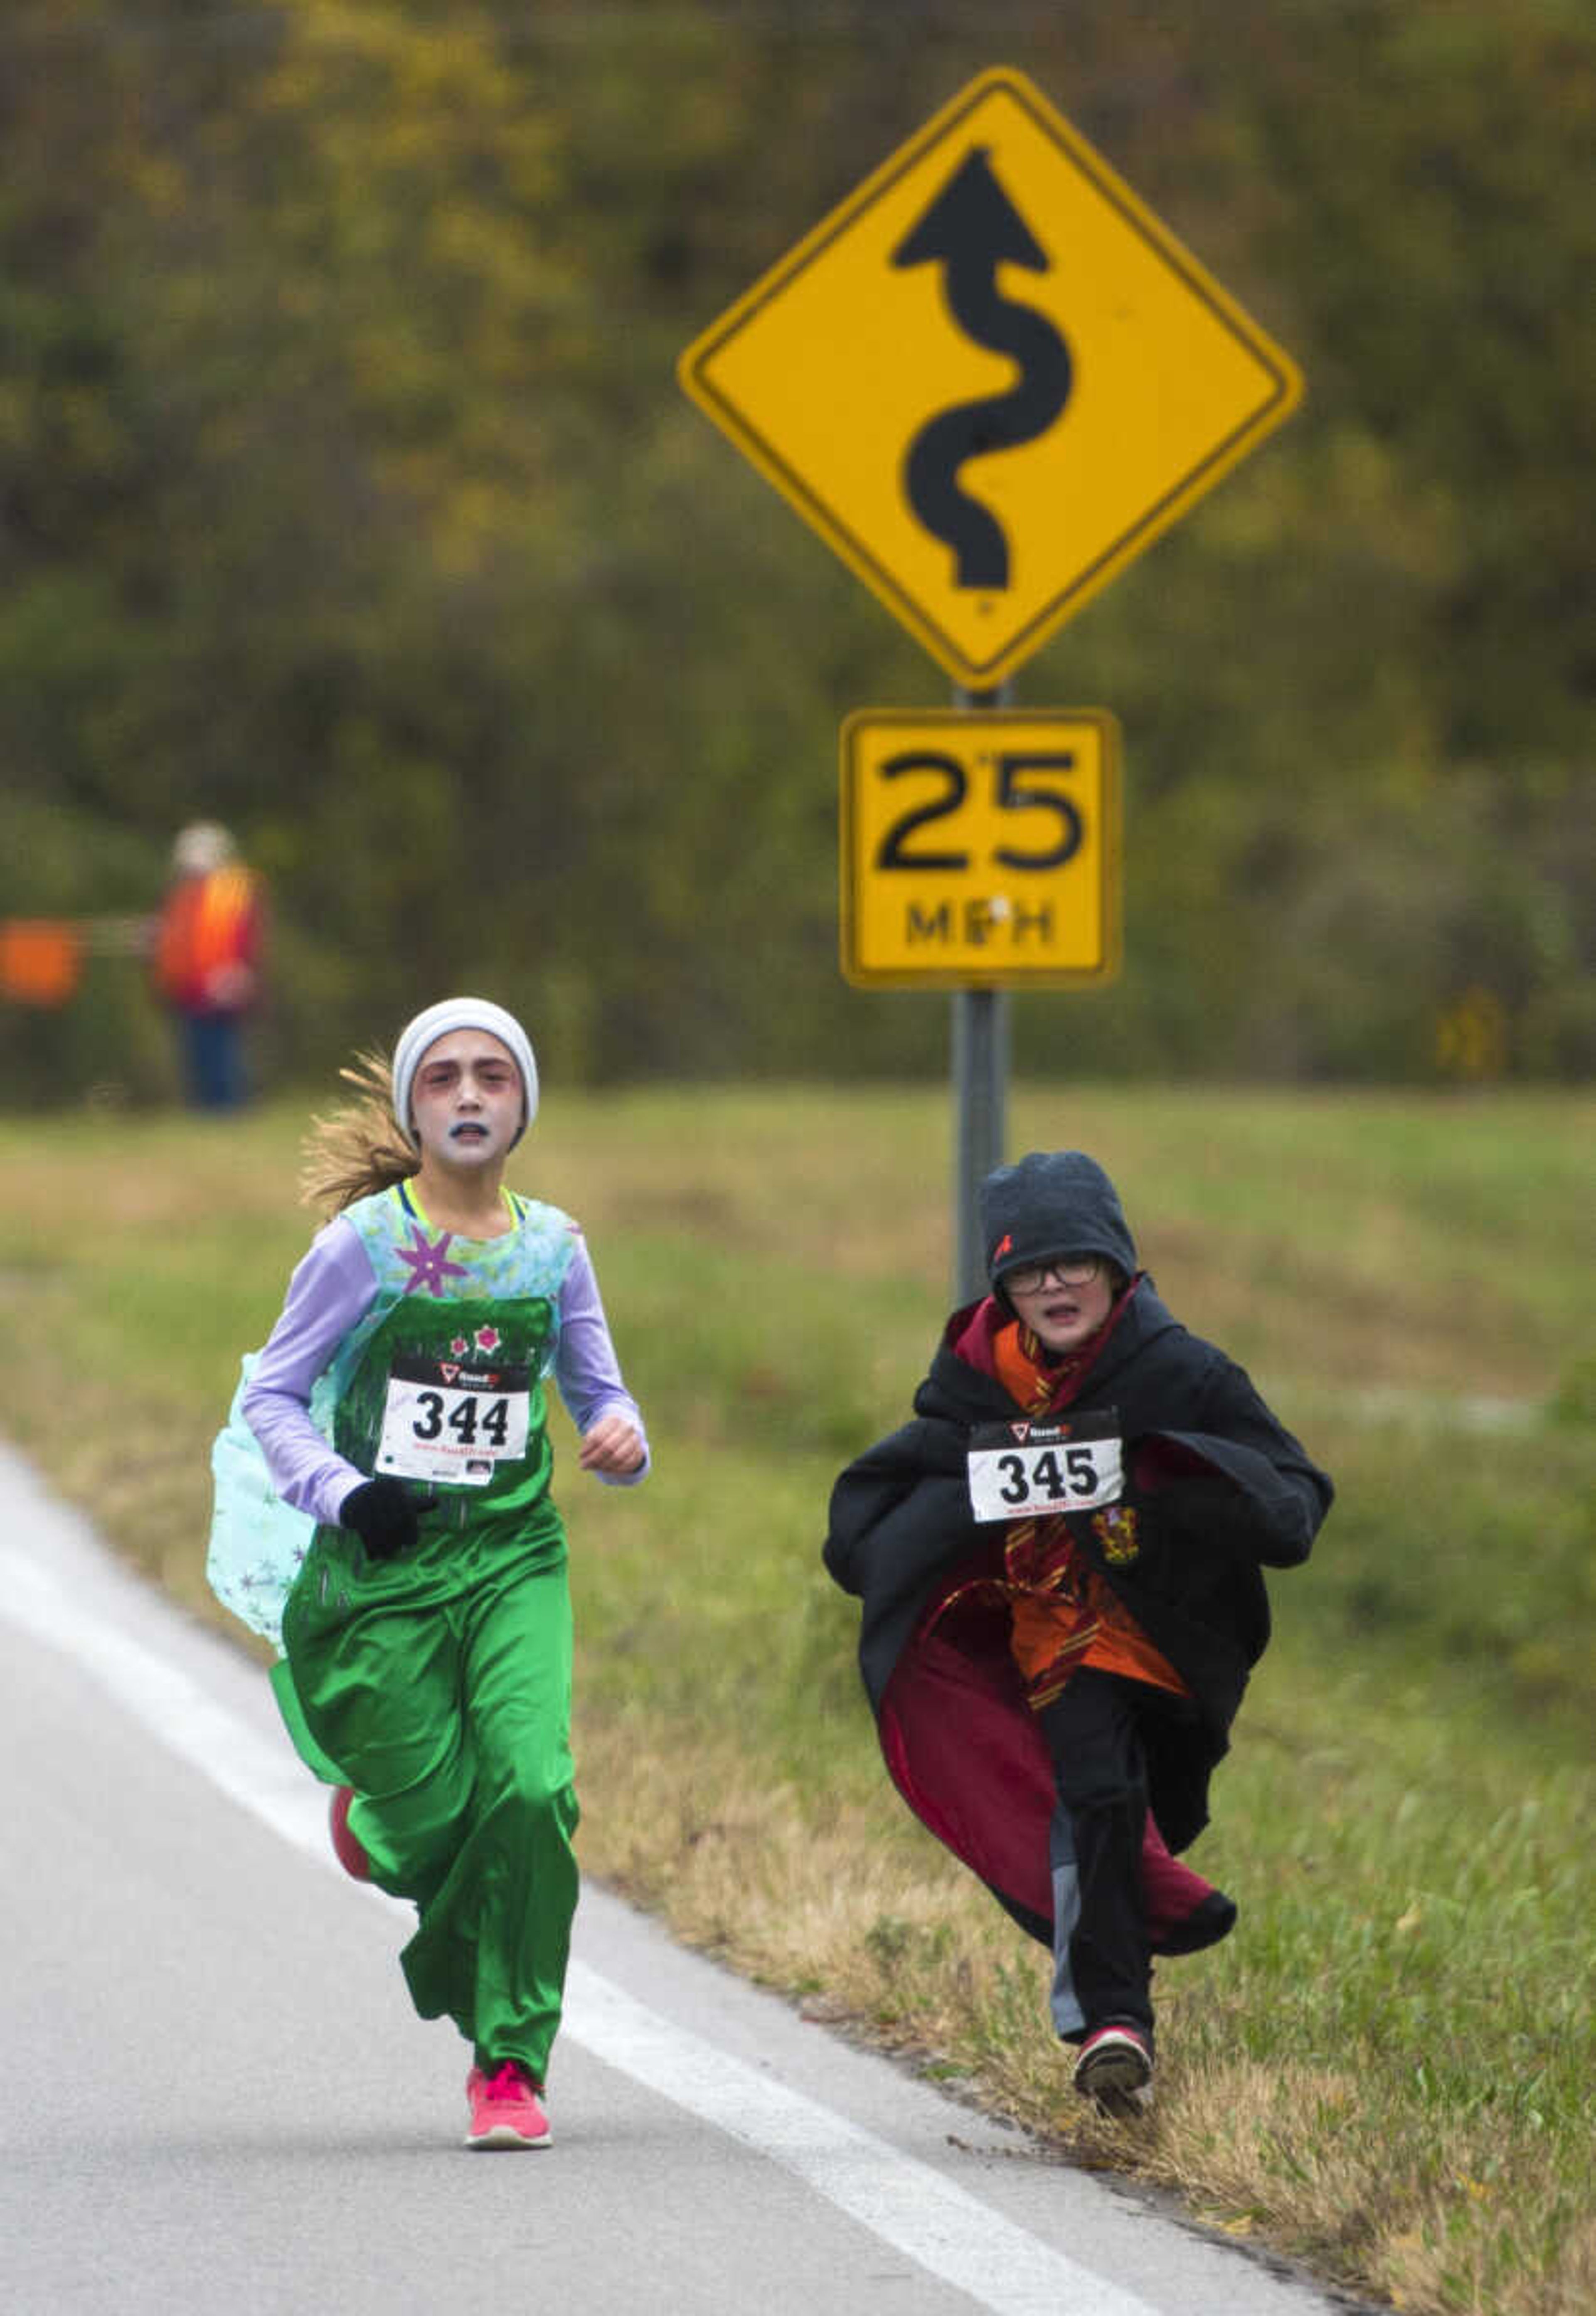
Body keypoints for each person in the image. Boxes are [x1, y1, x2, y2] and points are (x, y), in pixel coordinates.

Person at [207, 997, 648, 2150]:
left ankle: (510, 2059)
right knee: (437, 1822)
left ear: (522, 1108)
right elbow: (274, 1395)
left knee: (532, 1789)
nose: (468, 1094)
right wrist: (343, 1492)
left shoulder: (555, 1248)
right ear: (411, 1108)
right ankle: (386, 1821)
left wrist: (622, 1437)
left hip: (513, 1556)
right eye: (444, 1076)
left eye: (492, 1077)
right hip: (384, 1567)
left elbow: (601, 1393)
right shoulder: (361, 1247)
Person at [823, 1150, 1331, 2115]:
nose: (1051, 1283)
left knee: (1133, 1810)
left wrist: (1167, 1476)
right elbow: (902, 1485)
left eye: (1073, 1260)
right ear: (1002, 1285)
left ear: (1116, 1266)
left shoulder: (1178, 1369)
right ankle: (1113, 2026)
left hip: (1175, 1643)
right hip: (1048, 1642)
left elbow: (1292, 1491)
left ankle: (1104, 1996)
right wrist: (892, 1555)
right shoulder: (976, 1379)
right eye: (1025, 1267)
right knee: (1095, 1789)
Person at [151, 820, 264, 1110]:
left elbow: (241, 937)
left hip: (222, 989)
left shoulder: (230, 890)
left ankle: (228, 1109)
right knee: (198, 1054)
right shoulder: (184, 894)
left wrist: (237, 975)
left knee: (224, 1055)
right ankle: (206, 1109)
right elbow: (177, 936)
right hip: (190, 990)